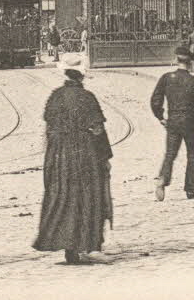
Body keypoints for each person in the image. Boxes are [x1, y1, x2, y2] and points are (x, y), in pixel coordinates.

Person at [33, 54, 114, 266]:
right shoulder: (87, 97)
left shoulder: (55, 96)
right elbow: (97, 129)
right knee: (90, 198)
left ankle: (71, 248)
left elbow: (49, 129)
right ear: (81, 76)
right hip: (85, 154)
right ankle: (91, 246)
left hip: (60, 157)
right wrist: (105, 156)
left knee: (65, 199)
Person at [150, 46, 194, 201]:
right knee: (192, 155)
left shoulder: (166, 78)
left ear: (176, 60)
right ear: (190, 63)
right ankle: (191, 190)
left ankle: (163, 178)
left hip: (173, 122)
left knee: (170, 154)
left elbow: (156, 99)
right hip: (190, 124)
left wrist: (160, 117)